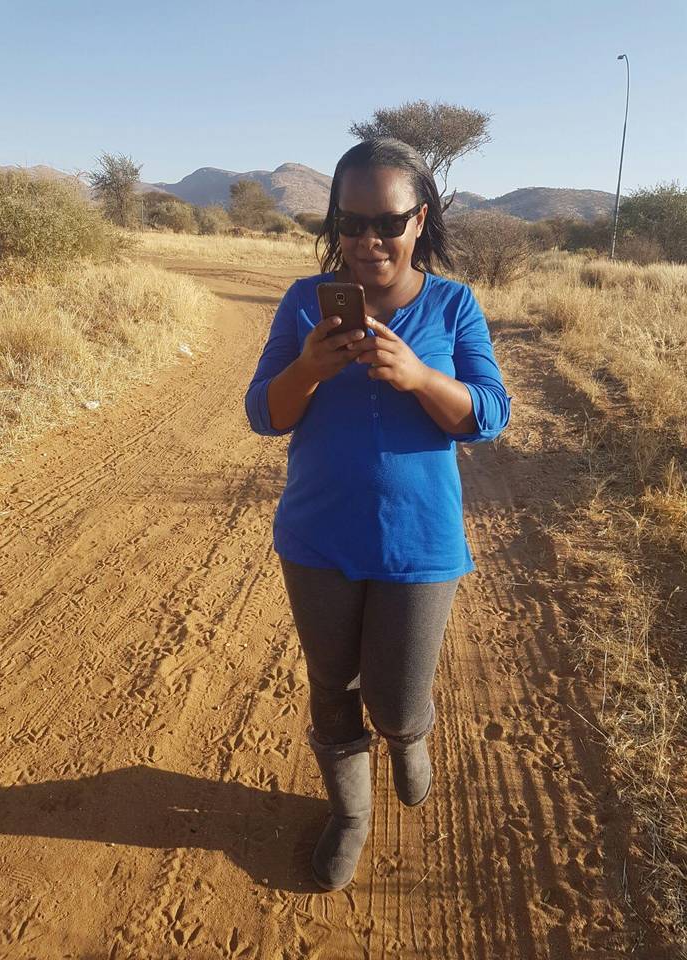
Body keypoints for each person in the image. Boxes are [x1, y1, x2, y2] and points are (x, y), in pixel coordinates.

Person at [244, 137, 512, 892]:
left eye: (386, 224)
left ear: (419, 220)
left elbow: (489, 414)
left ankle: (408, 733)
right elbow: (264, 414)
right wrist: (309, 368)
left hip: (419, 546)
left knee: (394, 699)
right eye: (350, 222)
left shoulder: (454, 304)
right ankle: (351, 817)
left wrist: (420, 376)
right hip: (317, 537)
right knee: (332, 684)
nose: (367, 241)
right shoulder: (304, 302)